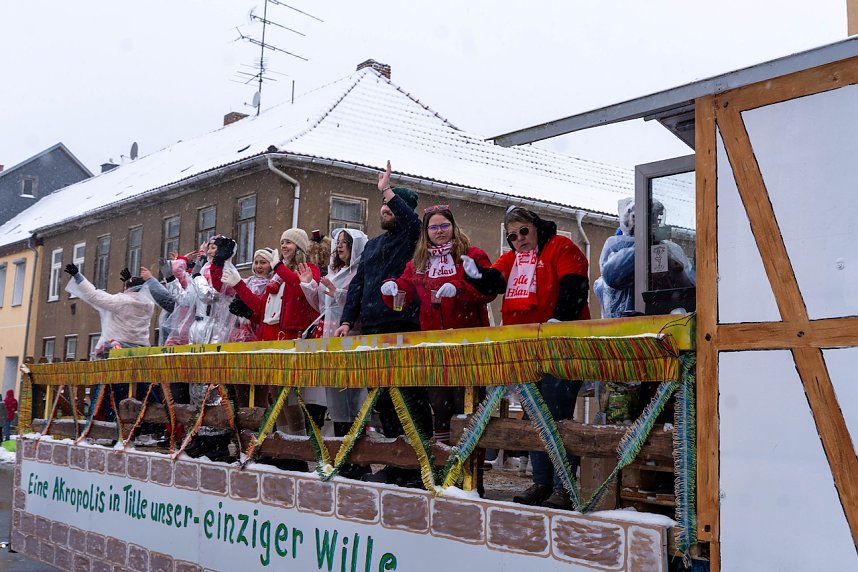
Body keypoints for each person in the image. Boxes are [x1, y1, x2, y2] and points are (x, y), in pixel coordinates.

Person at [463, 206, 590, 509]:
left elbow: (576, 284)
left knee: (556, 416)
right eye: (512, 236)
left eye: (523, 232)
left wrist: (561, 318)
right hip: (526, 350)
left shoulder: (560, 247)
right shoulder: (515, 259)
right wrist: (475, 275)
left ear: (536, 227)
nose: (518, 239)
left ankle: (563, 486)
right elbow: (494, 280)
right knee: (535, 415)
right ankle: (542, 482)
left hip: (561, 346)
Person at [333, 160, 430, 486]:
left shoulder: (413, 237)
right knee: (382, 398)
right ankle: (396, 461)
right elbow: (359, 284)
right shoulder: (373, 245)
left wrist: (388, 191)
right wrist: (347, 320)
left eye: (389, 207)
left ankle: (418, 463)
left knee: (407, 395)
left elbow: (412, 221)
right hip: (372, 328)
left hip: (402, 326)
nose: (384, 211)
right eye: (383, 207)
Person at [380, 204, 495, 443]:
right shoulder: (418, 263)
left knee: (468, 409)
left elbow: (489, 289)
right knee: (439, 407)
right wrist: (393, 287)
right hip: (434, 347)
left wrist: (460, 289)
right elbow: (406, 291)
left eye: (445, 225)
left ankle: (469, 473)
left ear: (453, 227)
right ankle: (444, 469)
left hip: (468, 345)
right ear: (426, 231)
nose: (440, 231)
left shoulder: (472, 256)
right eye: (434, 227)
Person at [63, 263, 155, 420]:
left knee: (113, 390)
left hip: (118, 351)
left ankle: (114, 420)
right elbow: (135, 293)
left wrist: (78, 277)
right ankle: (149, 419)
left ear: (127, 288)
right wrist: (129, 281)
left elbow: (94, 295)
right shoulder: (148, 305)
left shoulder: (121, 302)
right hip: (140, 351)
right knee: (140, 388)